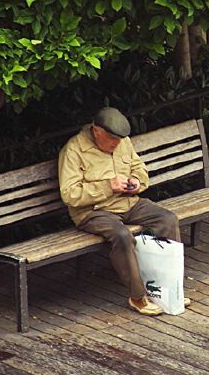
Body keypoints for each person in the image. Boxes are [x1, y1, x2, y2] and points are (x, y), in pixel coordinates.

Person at [58, 106, 189, 315]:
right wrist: (108, 186)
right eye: (111, 138)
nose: (116, 144)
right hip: (92, 212)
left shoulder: (122, 141)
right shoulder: (74, 150)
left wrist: (137, 181)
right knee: (122, 234)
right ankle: (138, 296)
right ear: (96, 130)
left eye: (119, 139)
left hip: (126, 202)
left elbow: (139, 168)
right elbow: (70, 195)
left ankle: (168, 289)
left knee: (167, 219)